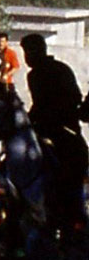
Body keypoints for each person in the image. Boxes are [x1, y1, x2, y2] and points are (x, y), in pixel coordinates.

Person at [21, 33, 87, 234]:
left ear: (40, 50)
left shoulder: (60, 70)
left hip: (64, 133)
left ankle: (77, 222)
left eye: (30, 51)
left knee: (69, 176)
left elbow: (74, 99)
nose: (28, 56)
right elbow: (37, 106)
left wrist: (52, 114)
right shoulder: (33, 75)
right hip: (42, 131)